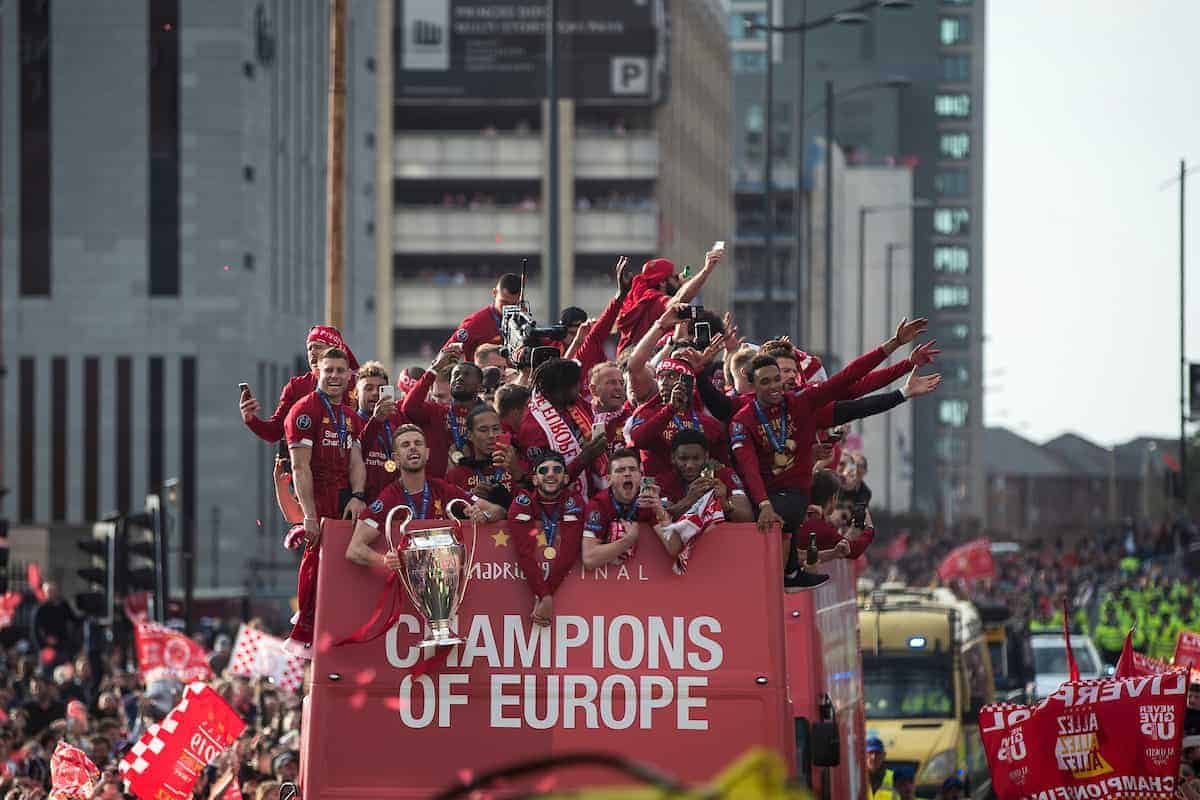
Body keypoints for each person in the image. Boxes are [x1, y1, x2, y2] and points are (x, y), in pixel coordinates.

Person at [731, 318, 928, 591]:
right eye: (776, 375)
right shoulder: (741, 413)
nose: (784, 379)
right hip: (756, 494)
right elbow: (743, 460)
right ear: (754, 382)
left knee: (795, 506)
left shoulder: (804, 404)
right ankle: (777, 574)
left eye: (789, 372)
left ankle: (785, 574)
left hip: (790, 497)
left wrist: (902, 376)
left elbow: (853, 386)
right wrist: (763, 503)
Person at [283, 347, 368, 656]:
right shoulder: (304, 411)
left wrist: (358, 496)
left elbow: (356, 462)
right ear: (317, 371)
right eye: (328, 369)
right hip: (315, 495)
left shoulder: (350, 416)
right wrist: (308, 515)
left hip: (343, 497)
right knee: (315, 559)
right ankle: (303, 631)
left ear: (348, 376)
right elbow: (299, 467)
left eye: (339, 371)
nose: (334, 376)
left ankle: (340, 627)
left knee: (344, 564)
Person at [345, 425, 501, 571]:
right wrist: (384, 561)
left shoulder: (443, 489)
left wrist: (485, 516)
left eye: (417, 443)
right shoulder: (389, 498)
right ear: (396, 458)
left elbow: (498, 510)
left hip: (443, 576)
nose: (413, 447)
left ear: (427, 454)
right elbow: (355, 549)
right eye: (405, 445)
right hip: (408, 583)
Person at [240, 325, 358, 443]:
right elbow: (274, 432)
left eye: (318, 347)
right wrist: (250, 419)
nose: (313, 352)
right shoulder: (296, 386)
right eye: (310, 348)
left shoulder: (356, 385)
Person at [507, 453, 585, 627]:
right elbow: (524, 551)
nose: (550, 474)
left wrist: (545, 595)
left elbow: (568, 551)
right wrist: (545, 595)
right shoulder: (522, 503)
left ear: (565, 478)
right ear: (535, 479)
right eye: (544, 470)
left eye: (557, 470)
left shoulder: (575, 501)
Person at [517, 358, 608, 497]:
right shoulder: (533, 427)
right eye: (576, 384)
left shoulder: (575, 404)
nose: (580, 388)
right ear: (561, 388)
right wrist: (585, 457)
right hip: (557, 505)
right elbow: (545, 480)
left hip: (592, 491)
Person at [628, 357, 728, 477]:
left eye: (671, 376)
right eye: (660, 377)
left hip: (700, 489)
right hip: (660, 492)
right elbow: (637, 440)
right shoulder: (646, 414)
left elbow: (724, 465)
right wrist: (670, 409)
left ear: (688, 382)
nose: (663, 382)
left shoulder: (710, 423)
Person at [615, 248, 723, 355]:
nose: (678, 278)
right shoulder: (655, 301)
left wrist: (679, 284)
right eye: (674, 277)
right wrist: (706, 270)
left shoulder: (635, 298)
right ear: (662, 282)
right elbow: (680, 299)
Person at [402, 347, 482, 478]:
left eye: (466, 375)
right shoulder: (436, 411)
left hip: (474, 485)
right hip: (437, 489)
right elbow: (409, 408)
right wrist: (435, 368)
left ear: (480, 386)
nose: (460, 378)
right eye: (456, 375)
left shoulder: (486, 416)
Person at [581, 449, 668, 568]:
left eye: (632, 469)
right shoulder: (599, 504)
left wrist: (660, 510)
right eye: (620, 470)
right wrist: (628, 540)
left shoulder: (648, 501)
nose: (627, 473)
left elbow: (673, 548)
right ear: (609, 479)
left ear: (640, 475)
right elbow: (589, 558)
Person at [655, 430, 753, 524]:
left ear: (706, 457)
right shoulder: (664, 481)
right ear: (673, 458)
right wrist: (689, 500)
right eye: (683, 459)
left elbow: (747, 517)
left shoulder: (725, 475)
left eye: (696, 458)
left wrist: (724, 504)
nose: (690, 465)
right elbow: (661, 519)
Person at [445, 405, 522, 508]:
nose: (491, 435)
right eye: (483, 430)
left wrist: (517, 473)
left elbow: (533, 504)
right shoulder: (456, 475)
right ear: (469, 435)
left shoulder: (514, 465)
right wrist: (470, 497)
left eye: (495, 429)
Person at [353, 361, 406, 501]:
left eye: (381, 388)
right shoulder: (350, 424)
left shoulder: (395, 429)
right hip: (363, 504)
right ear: (356, 394)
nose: (375, 393)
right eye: (368, 388)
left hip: (392, 503)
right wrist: (376, 420)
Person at [444, 273, 523, 362]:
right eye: (504, 303)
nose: (509, 308)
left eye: (514, 304)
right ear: (494, 293)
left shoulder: (525, 324)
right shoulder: (475, 323)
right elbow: (447, 353)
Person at [30, 583, 78, 672]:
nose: (52, 593)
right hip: (48, 649)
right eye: (49, 591)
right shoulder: (40, 609)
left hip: (63, 647)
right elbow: (35, 630)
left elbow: (74, 620)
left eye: (54, 591)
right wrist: (42, 647)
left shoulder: (63, 605)